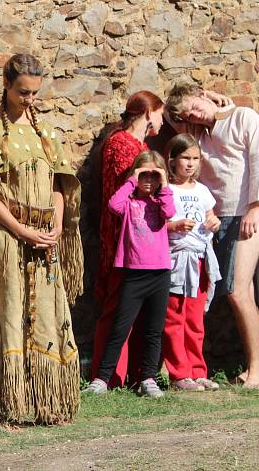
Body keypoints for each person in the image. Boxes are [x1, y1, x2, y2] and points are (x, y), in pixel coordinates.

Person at [0, 54, 84, 426]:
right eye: (23, 92)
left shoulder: (46, 132)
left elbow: (61, 181)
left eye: (35, 93)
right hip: (7, 237)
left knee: (47, 313)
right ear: (6, 86)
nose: (29, 99)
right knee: (4, 312)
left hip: (44, 239)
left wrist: (56, 223)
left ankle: (47, 401)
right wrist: (20, 229)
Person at [165, 83, 259, 388]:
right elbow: (168, 116)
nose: (194, 113)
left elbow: (258, 162)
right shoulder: (198, 136)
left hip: (246, 215)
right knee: (225, 292)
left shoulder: (243, 117)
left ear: (203, 94)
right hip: (215, 221)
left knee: (237, 290)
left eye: (195, 104)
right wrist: (197, 107)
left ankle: (256, 370)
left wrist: (255, 208)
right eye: (188, 113)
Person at [84, 151, 175, 398]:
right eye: (143, 174)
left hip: (159, 274)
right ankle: (102, 378)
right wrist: (131, 180)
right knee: (120, 328)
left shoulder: (160, 202)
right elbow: (113, 205)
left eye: (153, 175)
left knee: (153, 330)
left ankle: (148, 378)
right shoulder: (129, 202)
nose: (148, 180)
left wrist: (164, 183)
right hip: (133, 274)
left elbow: (170, 213)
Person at [91, 91, 164, 388]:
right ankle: (107, 375)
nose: (161, 120)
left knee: (140, 315)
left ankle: (136, 373)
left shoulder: (139, 145)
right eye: (159, 114)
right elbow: (123, 195)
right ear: (148, 113)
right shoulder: (121, 144)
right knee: (117, 311)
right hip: (124, 238)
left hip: (144, 243)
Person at [162, 133, 221, 391]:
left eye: (195, 158)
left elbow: (211, 217)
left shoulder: (202, 190)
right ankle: (179, 373)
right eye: (185, 157)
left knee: (195, 319)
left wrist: (214, 223)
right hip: (176, 259)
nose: (190, 163)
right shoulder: (167, 190)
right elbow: (155, 224)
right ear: (172, 159)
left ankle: (198, 371)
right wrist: (174, 225)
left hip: (200, 259)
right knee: (175, 316)